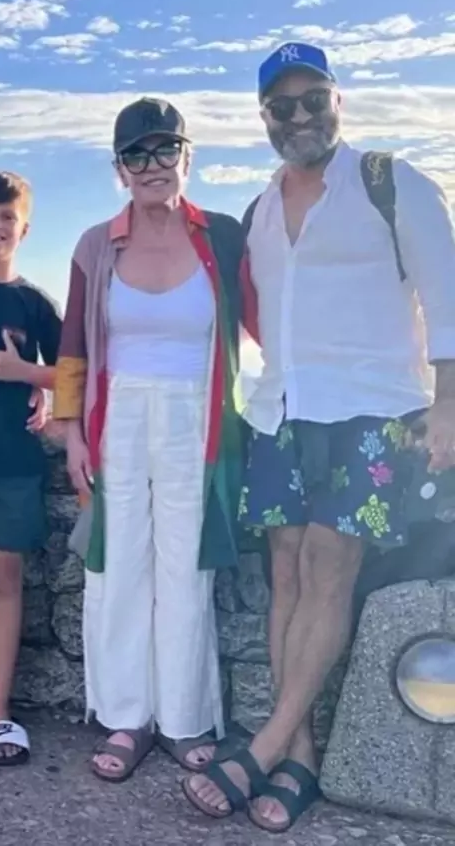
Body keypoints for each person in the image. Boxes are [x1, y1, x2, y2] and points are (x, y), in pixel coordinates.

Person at [182, 41, 455, 832]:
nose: (298, 116)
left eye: (312, 100)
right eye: (282, 106)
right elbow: (260, 318)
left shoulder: (390, 182)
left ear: (337, 100)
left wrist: (449, 405)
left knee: (329, 569)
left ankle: (264, 744)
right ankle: (298, 753)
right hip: (281, 410)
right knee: (287, 574)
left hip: (372, 409)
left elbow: (446, 296)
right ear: (264, 116)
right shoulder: (262, 208)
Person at [52, 97, 258, 782]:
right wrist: (71, 433)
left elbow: (269, 316)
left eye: (165, 149)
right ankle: (125, 717)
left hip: (196, 423)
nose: (151, 165)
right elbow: (73, 348)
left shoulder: (222, 237)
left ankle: (183, 718)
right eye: (135, 155)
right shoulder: (95, 244)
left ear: (186, 157)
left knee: (185, 570)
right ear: (119, 169)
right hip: (117, 422)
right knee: (118, 569)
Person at [0, 170, 62, 766]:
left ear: (24, 229)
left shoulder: (34, 303)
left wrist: (29, 376)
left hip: (11, 466)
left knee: (4, 583)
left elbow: (77, 371)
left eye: (7, 216)